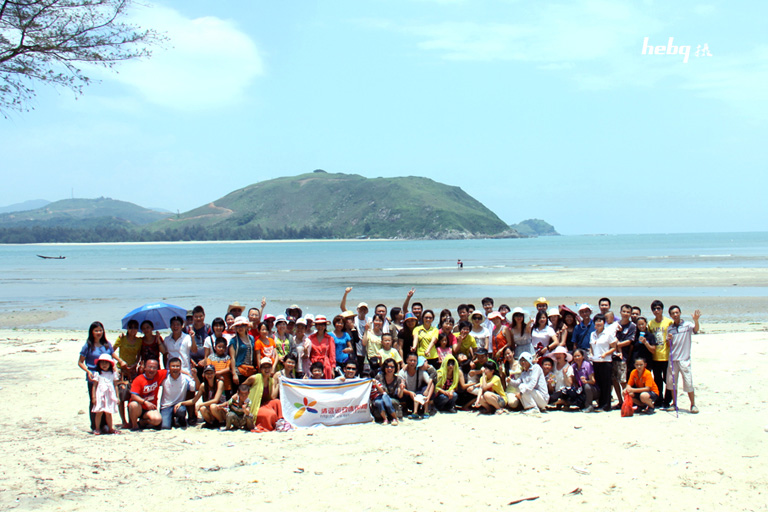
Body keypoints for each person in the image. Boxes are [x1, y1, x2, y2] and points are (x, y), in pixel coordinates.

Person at [78, 321, 113, 432]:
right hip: (93, 376)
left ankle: (105, 424)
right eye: (96, 330)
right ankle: (95, 426)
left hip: (106, 376)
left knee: (106, 400)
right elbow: (80, 362)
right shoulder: (88, 346)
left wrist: (118, 365)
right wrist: (88, 371)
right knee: (95, 400)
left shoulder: (107, 344)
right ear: (91, 332)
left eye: (100, 330)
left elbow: (112, 356)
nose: (98, 333)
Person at [667, 306, 701, 413]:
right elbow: (668, 344)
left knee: (688, 382)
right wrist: (669, 340)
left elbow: (696, 330)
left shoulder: (687, 325)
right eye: (673, 313)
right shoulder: (670, 328)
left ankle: (693, 405)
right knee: (672, 383)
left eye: (677, 312)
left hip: (684, 360)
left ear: (680, 313)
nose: (675, 315)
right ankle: (674, 404)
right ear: (670, 315)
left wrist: (696, 320)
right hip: (673, 359)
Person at [112, 320, 141, 428]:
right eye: (130, 327)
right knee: (121, 396)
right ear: (127, 328)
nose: (133, 330)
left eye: (135, 327)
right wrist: (120, 361)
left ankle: (131, 420)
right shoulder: (121, 339)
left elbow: (139, 355)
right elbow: (111, 351)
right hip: (121, 370)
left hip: (132, 371)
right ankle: (124, 421)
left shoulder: (139, 341)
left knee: (131, 395)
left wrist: (136, 363)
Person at [244, 357, 284, 431]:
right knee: (270, 414)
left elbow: (273, 397)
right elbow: (242, 388)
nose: (267, 370)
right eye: (264, 367)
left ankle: (280, 421)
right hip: (255, 407)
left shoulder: (271, 381)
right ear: (260, 369)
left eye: (268, 367)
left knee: (277, 402)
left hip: (264, 405)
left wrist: (278, 383)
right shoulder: (255, 378)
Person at [159, 357, 197, 429]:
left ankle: (181, 419)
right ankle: (171, 419)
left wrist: (195, 377)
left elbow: (196, 388)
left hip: (179, 405)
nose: (175, 368)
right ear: (169, 367)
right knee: (165, 426)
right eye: (173, 366)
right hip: (166, 406)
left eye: (177, 366)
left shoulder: (185, 378)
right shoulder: (164, 378)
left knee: (182, 410)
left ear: (180, 367)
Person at [648, 300, 674, 408]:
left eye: (658, 308)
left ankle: (667, 400)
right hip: (655, 356)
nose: (656, 311)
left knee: (668, 380)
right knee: (657, 380)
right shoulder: (651, 323)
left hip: (666, 356)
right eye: (654, 309)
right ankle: (659, 400)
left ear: (662, 310)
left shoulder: (669, 322)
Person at [589, 313, 617, 412]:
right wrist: (591, 354)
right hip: (595, 361)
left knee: (606, 384)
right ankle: (600, 404)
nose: (598, 323)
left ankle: (606, 405)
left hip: (605, 361)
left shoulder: (608, 333)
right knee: (598, 383)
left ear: (604, 322)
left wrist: (605, 354)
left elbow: (614, 347)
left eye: (600, 321)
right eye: (596, 321)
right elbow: (591, 346)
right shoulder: (592, 334)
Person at [128, 358, 165, 430]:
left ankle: (142, 422)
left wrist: (187, 373)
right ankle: (134, 425)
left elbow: (172, 370)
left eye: (154, 368)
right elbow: (133, 396)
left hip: (149, 408)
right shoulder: (138, 379)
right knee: (133, 404)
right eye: (149, 367)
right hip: (138, 407)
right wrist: (145, 402)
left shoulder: (159, 374)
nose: (152, 369)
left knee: (157, 420)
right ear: (145, 368)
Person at [612, 304, 637, 406]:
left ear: (630, 314)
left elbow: (629, 341)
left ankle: (628, 401)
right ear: (620, 312)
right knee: (614, 380)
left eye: (628, 312)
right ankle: (620, 401)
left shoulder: (632, 326)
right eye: (624, 311)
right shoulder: (615, 324)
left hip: (624, 357)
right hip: (612, 356)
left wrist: (617, 344)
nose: (626, 314)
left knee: (623, 381)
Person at [89, 354, 120, 435]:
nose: (104, 365)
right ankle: (97, 428)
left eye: (106, 363)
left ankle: (110, 428)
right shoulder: (98, 374)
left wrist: (117, 397)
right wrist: (93, 397)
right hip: (100, 395)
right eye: (102, 363)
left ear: (110, 364)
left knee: (108, 412)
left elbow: (115, 386)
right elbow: (94, 386)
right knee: (99, 412)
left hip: (109, 395)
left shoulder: (112, 374)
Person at [373, 358, 403, 425]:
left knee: (388, 401)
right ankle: (385, 418)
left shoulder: (398, 379)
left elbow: (400, 395)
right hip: (380, 397)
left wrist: (402, 389)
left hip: (392, 399)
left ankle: (394, 418)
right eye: (387, 366)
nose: (389, 368)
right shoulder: (379, 377)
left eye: (392, 367)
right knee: (379, 402)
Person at [229, 316, 256, 387]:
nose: (240, 328)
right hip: (239, 371)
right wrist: (234, 374)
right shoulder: (233, 340)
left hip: (250, 370)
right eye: (238, 326)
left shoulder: (251, 338)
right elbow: (232, 358)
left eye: (243, 325)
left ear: (246, 327)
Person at [186, 305, 212, 379]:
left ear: (204, 316)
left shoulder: (208, 329)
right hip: (191, 363)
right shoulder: (187, 329)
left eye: (200, 316)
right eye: (196, 317)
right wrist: (190, 360)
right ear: (193, 317)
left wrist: (206, 360)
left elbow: (214, 346)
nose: (198, 319)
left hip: (206, 362)